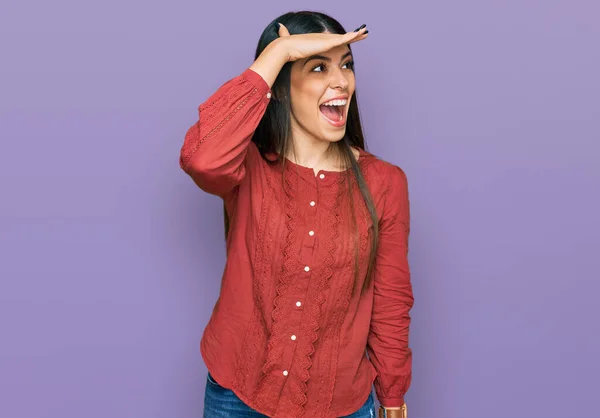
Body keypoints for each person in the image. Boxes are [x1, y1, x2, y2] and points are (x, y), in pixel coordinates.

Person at [179, 10, 413, 418]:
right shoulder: (245, 166)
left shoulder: (385, 183)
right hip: (237, 396)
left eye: (346, 65)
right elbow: (202, 159)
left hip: (341, 405)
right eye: (318, 66)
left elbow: (390, 303)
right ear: (283, 88)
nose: (340, 81)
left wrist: (392, 400)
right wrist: (279, 53)